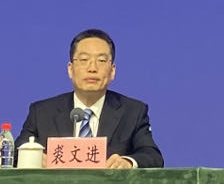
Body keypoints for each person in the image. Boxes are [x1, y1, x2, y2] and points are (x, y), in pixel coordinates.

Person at [16, 29, 163, 168]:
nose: (92, 68)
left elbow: (152, 156)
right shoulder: (42, 112)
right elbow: (14, 153)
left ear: (112, 71)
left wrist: (127, 162)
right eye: (84, 59)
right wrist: (32, 157)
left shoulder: (132, 112)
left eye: (101, 60)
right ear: (70, 69)